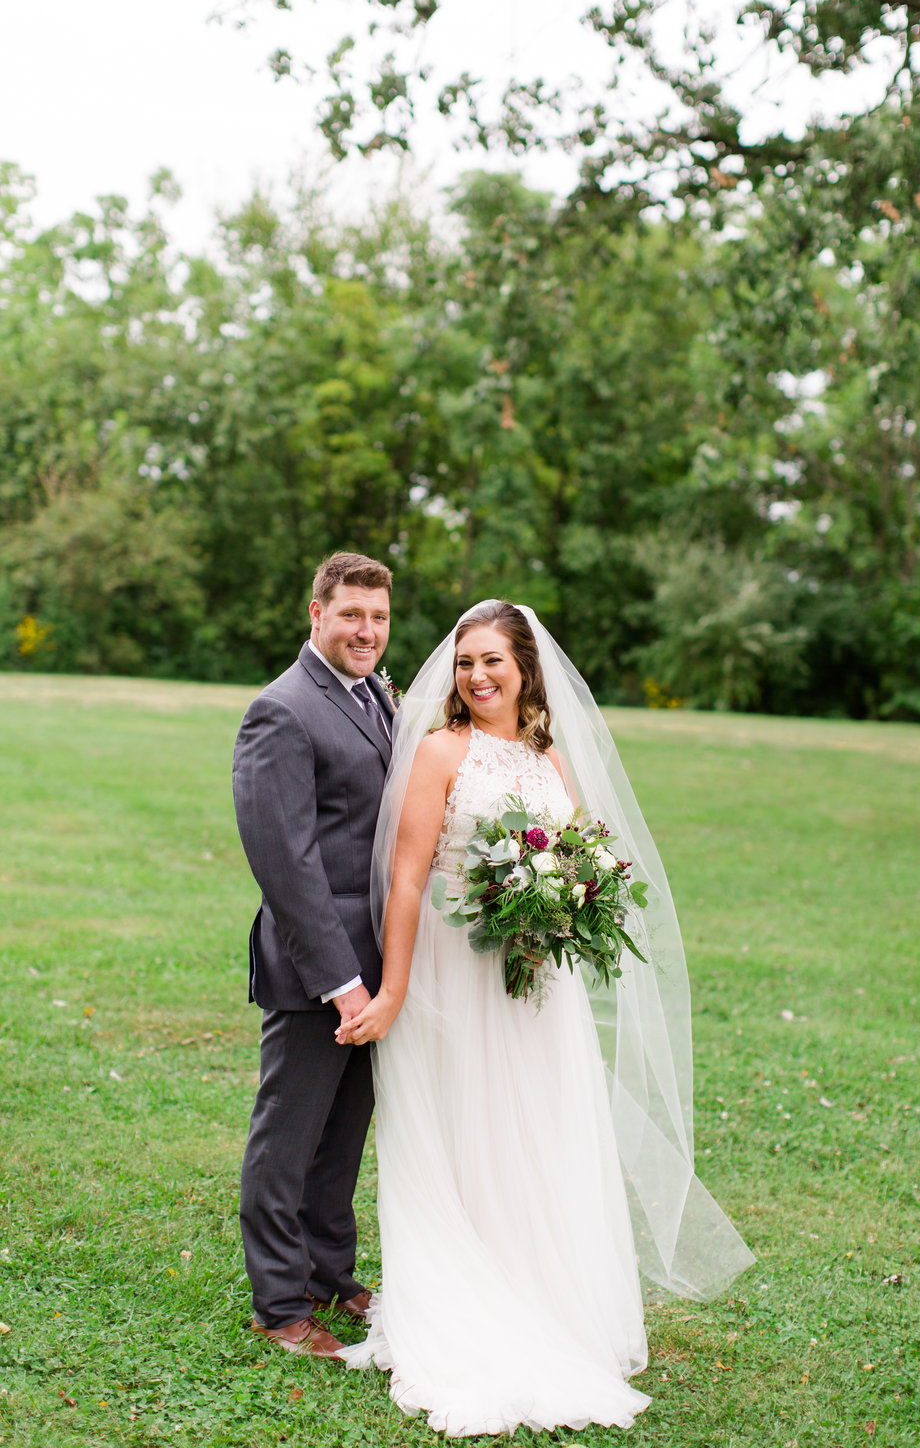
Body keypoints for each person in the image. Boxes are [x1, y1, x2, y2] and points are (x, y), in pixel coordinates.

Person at [336, 600, 754, 1435]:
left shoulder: (550, 760)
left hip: (534, 988)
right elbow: (410, 878)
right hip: (453, 980)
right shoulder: (439, 751)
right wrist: (391, 991)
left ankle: (544, 1302)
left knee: (540, 1133)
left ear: (526, 668)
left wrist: (564, 910)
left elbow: (579, 861)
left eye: (493, 661)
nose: (478, 677)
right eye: (465, 664)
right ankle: (463, 1305)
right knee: (464, 1137)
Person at [232, 550, 395, 1359]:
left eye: (378, 617)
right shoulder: (282, 710)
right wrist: (341, 984)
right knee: (288, 1137)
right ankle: (280, 1302)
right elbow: (285, 863)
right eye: (351, 615)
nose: (366, 631)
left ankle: (333, 1271)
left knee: (342, 1134)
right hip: (317, 972)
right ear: (316, 614)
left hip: (380, 965)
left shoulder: (376, 695)